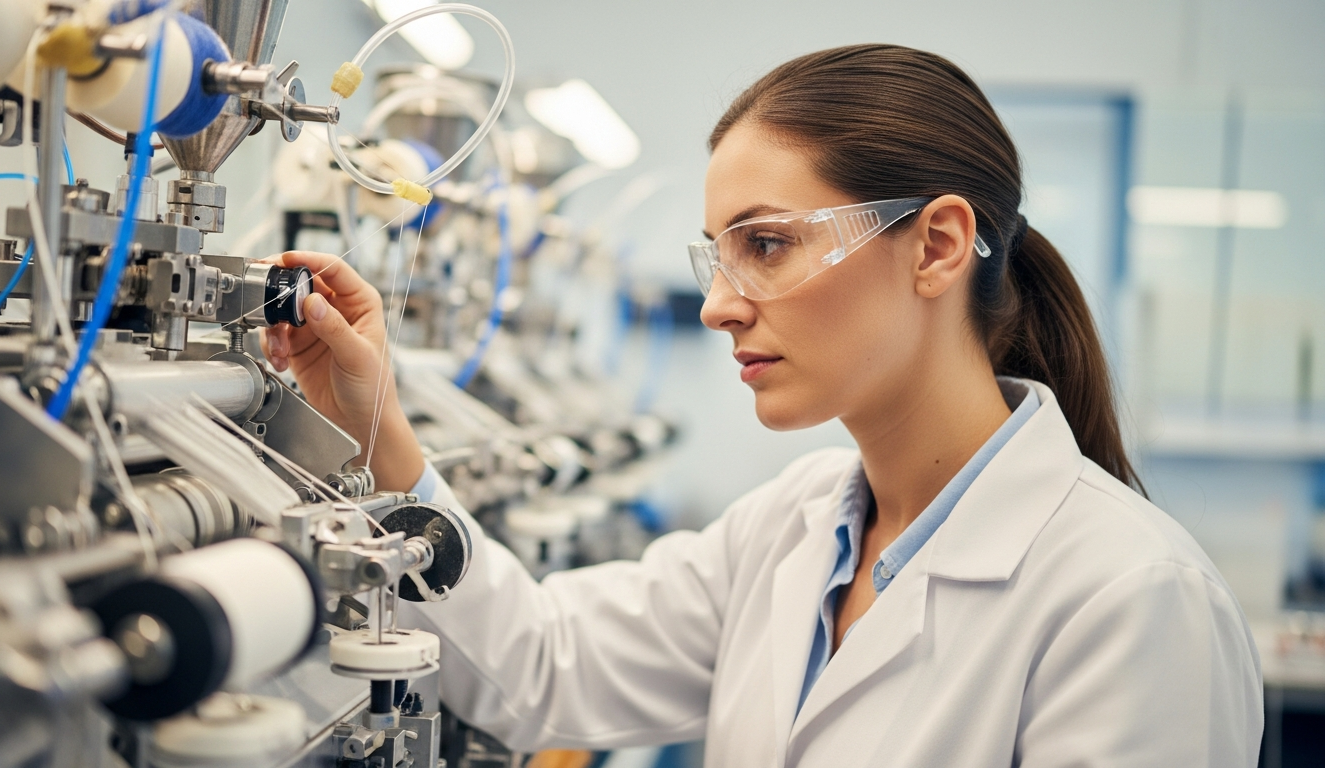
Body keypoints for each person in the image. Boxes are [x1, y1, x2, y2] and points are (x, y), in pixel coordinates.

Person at [261, 44, 1263, 768]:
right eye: (717, 254)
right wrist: (374, 427)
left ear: (939, 245)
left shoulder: (1131, 598)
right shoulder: (793, 528)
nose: (715, 304)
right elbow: (539, 669)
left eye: (767, 244)